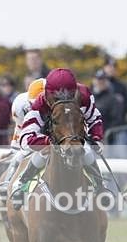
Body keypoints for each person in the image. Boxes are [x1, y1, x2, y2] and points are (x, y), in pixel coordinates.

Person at [11, 68, 106, 205]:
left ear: (75, 92)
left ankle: (100, 185)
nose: (64, 99)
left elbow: (94, 118)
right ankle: (21, 183)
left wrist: (96, 138)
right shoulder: (40, 103)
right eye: (56, 98)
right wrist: (47, 142)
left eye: (70, 95)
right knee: (44, 153)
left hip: (75, 132)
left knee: (86, 150)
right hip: (51, 135)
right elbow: (26, 138)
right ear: (48, 94)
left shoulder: (84, 95)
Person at [0, 78, 46, 193]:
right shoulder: (20, 105)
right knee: (19, 155)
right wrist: (14, 149)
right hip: (32, 134)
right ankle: (8, 181)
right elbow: (20, 128)